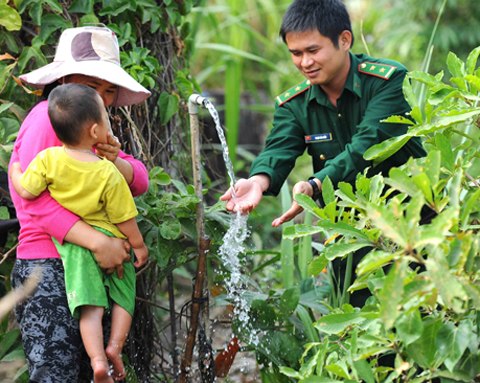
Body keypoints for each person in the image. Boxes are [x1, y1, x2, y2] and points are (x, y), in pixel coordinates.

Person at [221, 0, 426, 306]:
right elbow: (279, 147)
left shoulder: (387, 82)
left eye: (313, 50)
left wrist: (316, 184)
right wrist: (259, 181)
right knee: (359, 320)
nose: (305, 62)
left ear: (344, 40)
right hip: (349, 231)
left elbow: (366, 145)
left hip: (412, 221)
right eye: (296, 53)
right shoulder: (295, 104)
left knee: (419, 314)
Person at [8, 25, 151, 382]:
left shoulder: (92, 133)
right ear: (64, 82)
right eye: (90, 87)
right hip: (49, 263)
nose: (101, 98)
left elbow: (139, 180)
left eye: (108, 90)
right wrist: (99, 242)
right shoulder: (47, 119)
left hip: (85, 262)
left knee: (85, 369)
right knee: (57, 370)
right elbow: (36, 202)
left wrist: (114, 159)